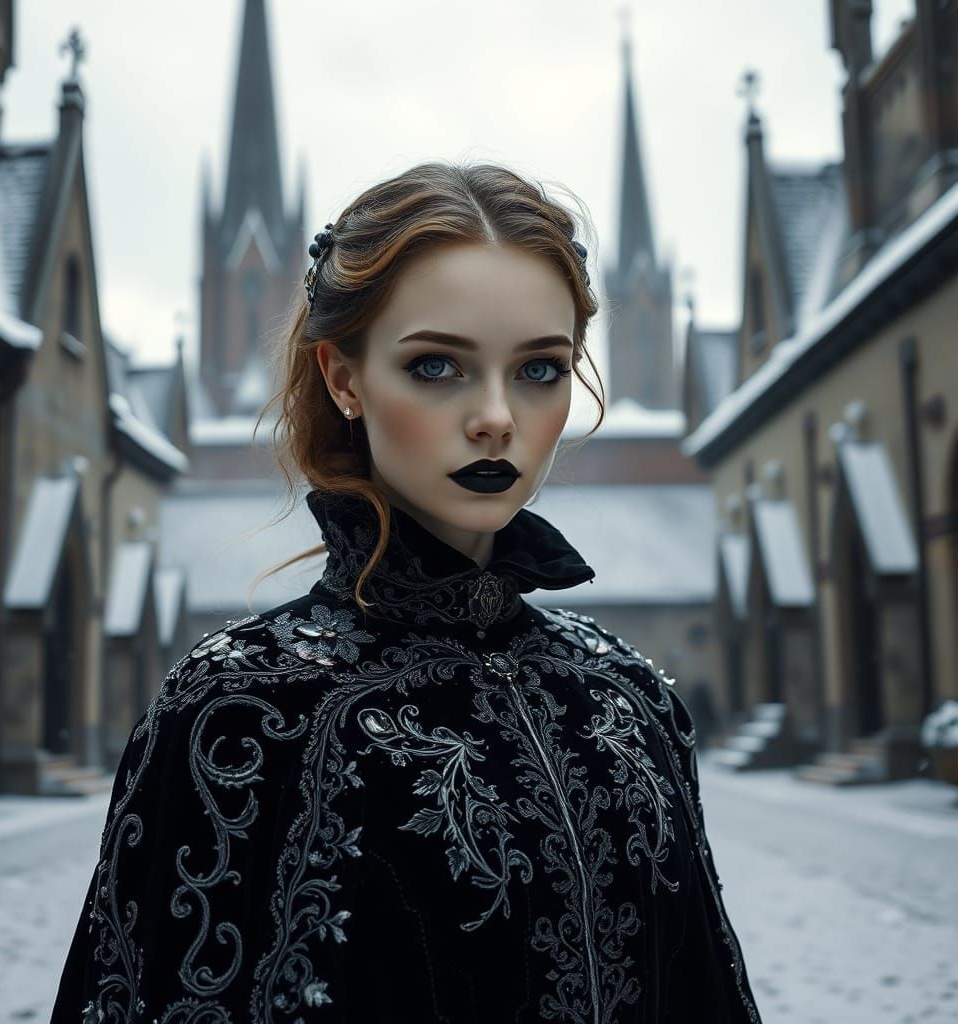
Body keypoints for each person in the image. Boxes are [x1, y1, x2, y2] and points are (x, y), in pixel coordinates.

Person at [51, 161, 761, 1023]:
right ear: (345, 379)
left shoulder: (627, 697)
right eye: (436, 366)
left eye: (540, 370)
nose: (497, 416)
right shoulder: (233, 713)